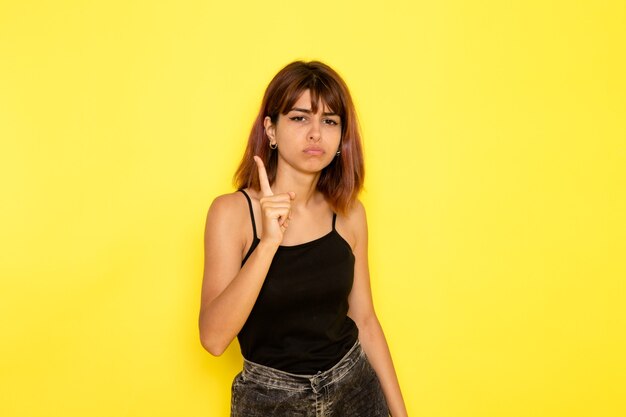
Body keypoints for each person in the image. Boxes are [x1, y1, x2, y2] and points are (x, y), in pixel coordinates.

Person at [199, 60, 408, 417]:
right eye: (299, 118)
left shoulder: (349, 213)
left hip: (354, 390)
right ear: (271, 129)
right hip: (270, 400)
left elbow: (366, 320)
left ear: (341, 136)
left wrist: (400, 414)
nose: (315, 133)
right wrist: (268, 243)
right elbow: (214, 339)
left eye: (329, 121)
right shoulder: (231, 213)